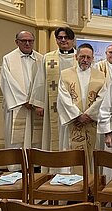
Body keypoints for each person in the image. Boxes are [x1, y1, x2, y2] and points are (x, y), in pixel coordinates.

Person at [57, 43, 106, 174]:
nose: (85, 60)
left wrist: (89, 115)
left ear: (93, 58)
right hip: (74, 121)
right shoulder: (65, 74)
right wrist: (77, 115)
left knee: (92, 153)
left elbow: (102, 97)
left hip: (91, 121)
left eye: (88, 57)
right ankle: (72, 184)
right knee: (72, 154)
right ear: (76, 56)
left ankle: (91, 183)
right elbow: (64, 98)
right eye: (82, 56)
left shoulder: (100, 76)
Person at [30, 27, 77, 158]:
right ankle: (54, 166)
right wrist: (39, 103)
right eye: (60, 38)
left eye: (66, 37)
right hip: (54, 105)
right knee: (55, 135)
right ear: (56, 40)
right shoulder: (49, 57)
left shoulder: (80, 57)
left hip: (75, 105)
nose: (63, 40)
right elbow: (40, 81)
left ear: (72, 39)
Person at [0, 31, 43, 170]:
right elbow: (7, 82)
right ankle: (17, 169)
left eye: (30, 40)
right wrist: (25, 101)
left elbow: (44, 82)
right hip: (18, 107)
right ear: (16, 42)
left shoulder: (41, 59)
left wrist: (37, 101)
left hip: (36, 107)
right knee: (17, 141)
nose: (28, 43)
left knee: (36, 140)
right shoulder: (8, 59)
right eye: (24, 40)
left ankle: (36, 167)